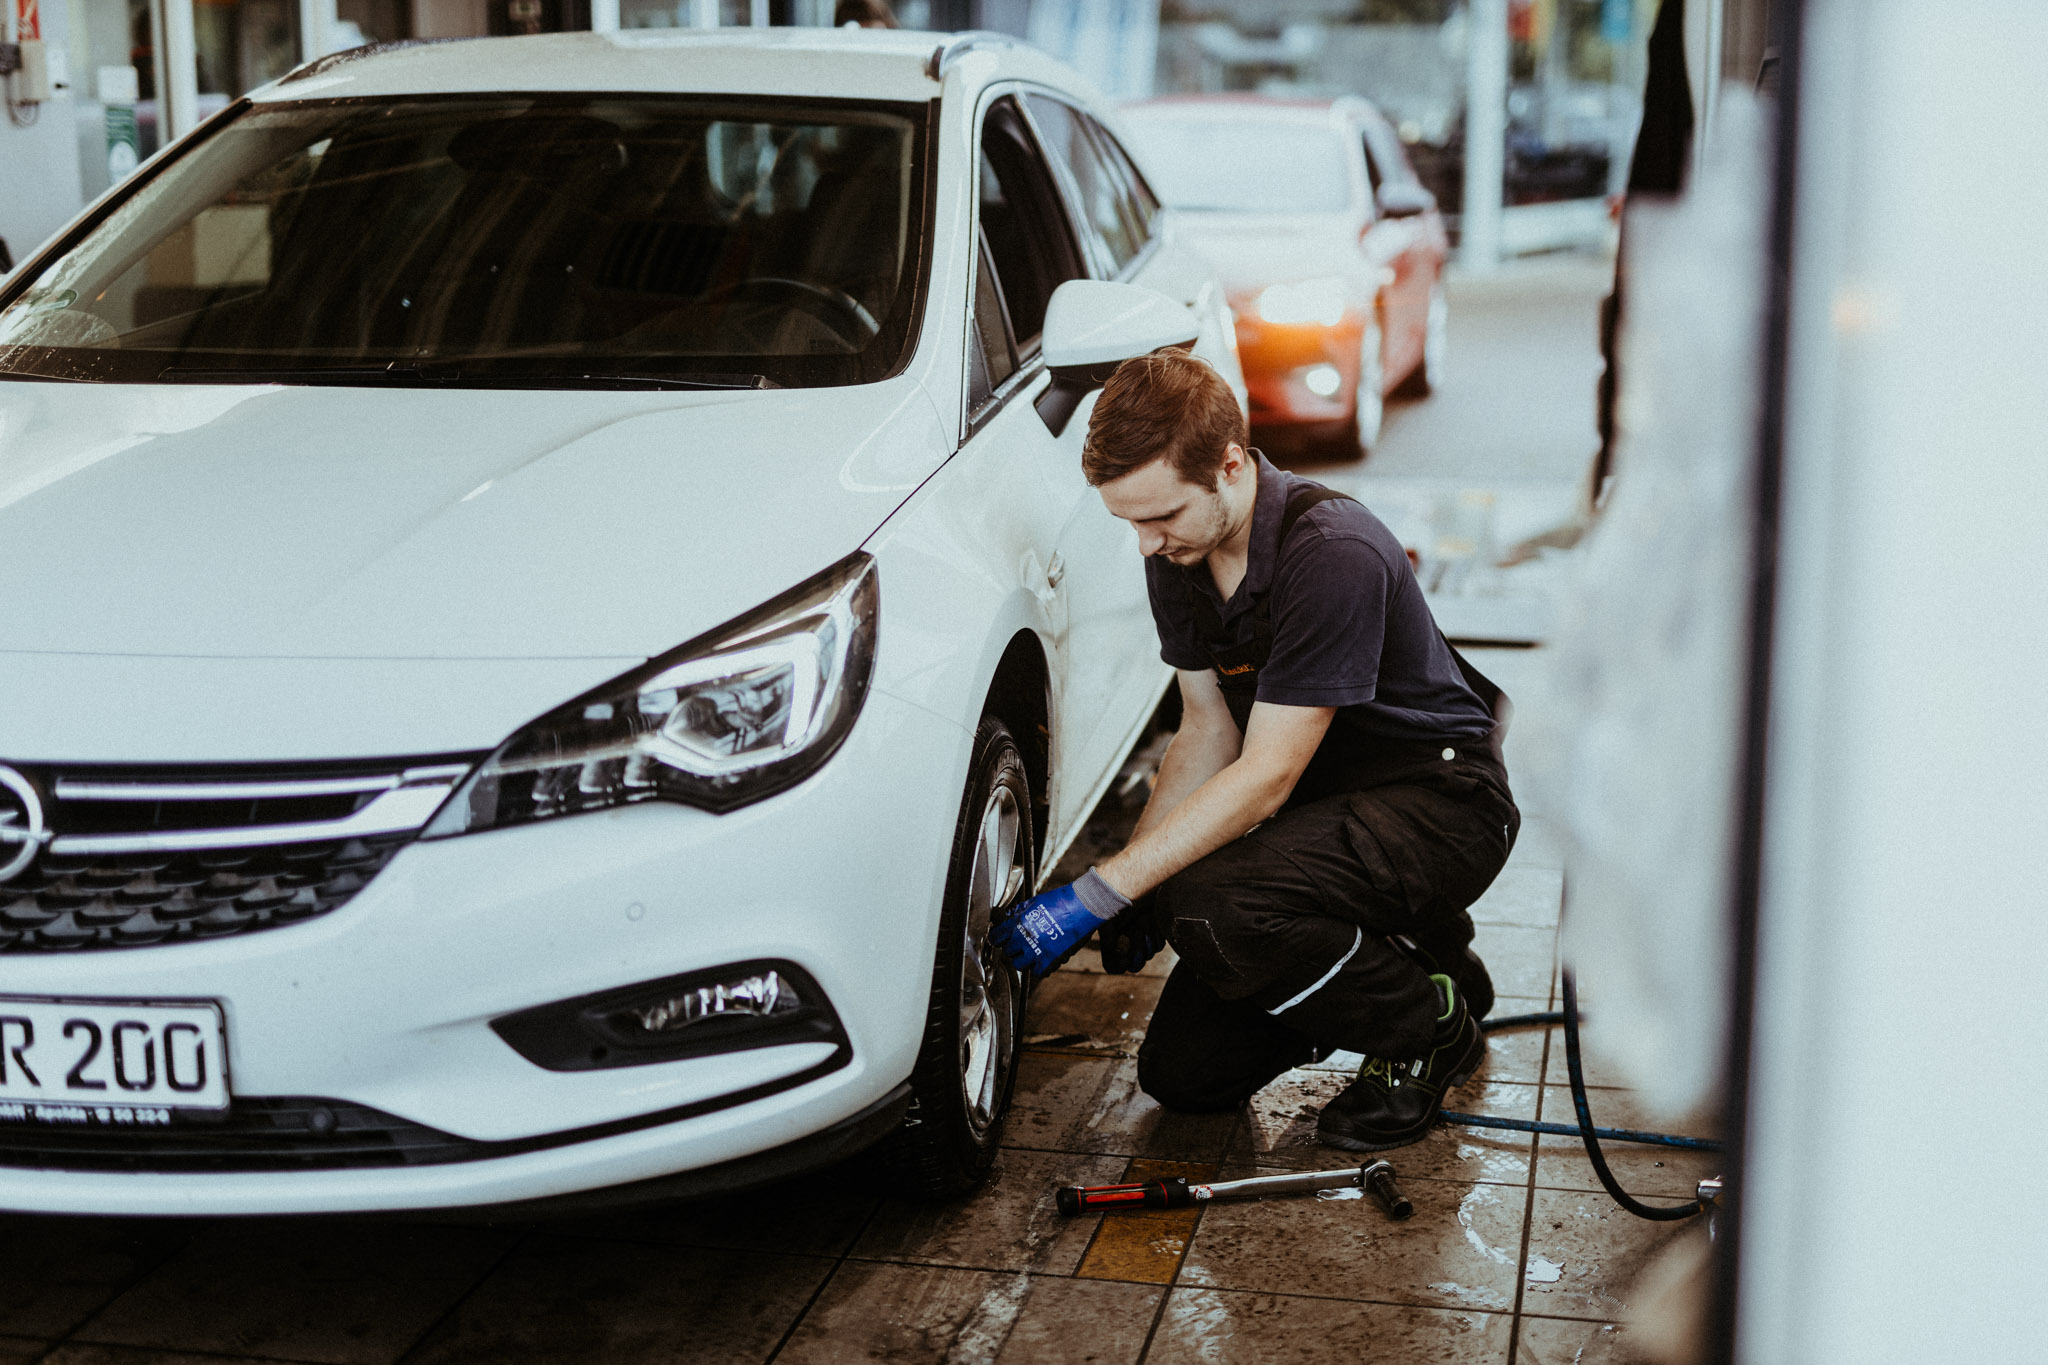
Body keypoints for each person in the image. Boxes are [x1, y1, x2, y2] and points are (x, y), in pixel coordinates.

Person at [993, 351, 1520, 1152]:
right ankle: (1421, 956)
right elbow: (1207, 726)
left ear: (1230, 465)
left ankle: (1427, 1027)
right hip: (1334, 811)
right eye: (1128, 521)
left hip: (1441, 807)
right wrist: (1136, 880)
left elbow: (1267, 777)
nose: (1143, 543)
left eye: (1159, 515)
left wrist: (1099, 891)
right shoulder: (1181, 554)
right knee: (1184, 1075)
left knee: (1214, 901)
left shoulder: (1332, 553)